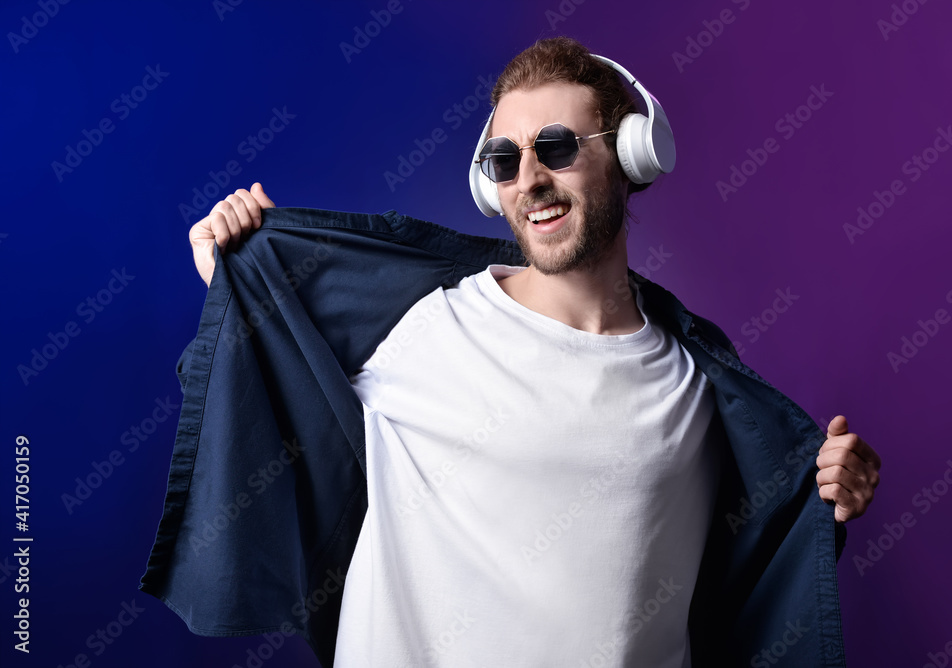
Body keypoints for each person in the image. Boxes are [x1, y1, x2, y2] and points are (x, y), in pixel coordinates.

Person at [175, 38, 880, 666]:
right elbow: (262, 395)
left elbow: (762, 548)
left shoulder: (700, 380)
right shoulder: (421, 326)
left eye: (559, 147)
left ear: (633, 156)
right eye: (504, 161)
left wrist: (828, 490)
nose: (530, 179)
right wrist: (229, 281)